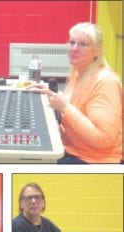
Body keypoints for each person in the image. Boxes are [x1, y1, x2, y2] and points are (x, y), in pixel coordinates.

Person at [27, 22, 122, 164]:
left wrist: (65, 107)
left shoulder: (105, 82)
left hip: (94, 160)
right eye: (72, 42)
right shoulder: (77, 72)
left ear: (97, 51)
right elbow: (77, 105)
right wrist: (50, 94)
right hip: (72, 148)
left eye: (83, 44)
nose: (74, 48)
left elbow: (103, 139)